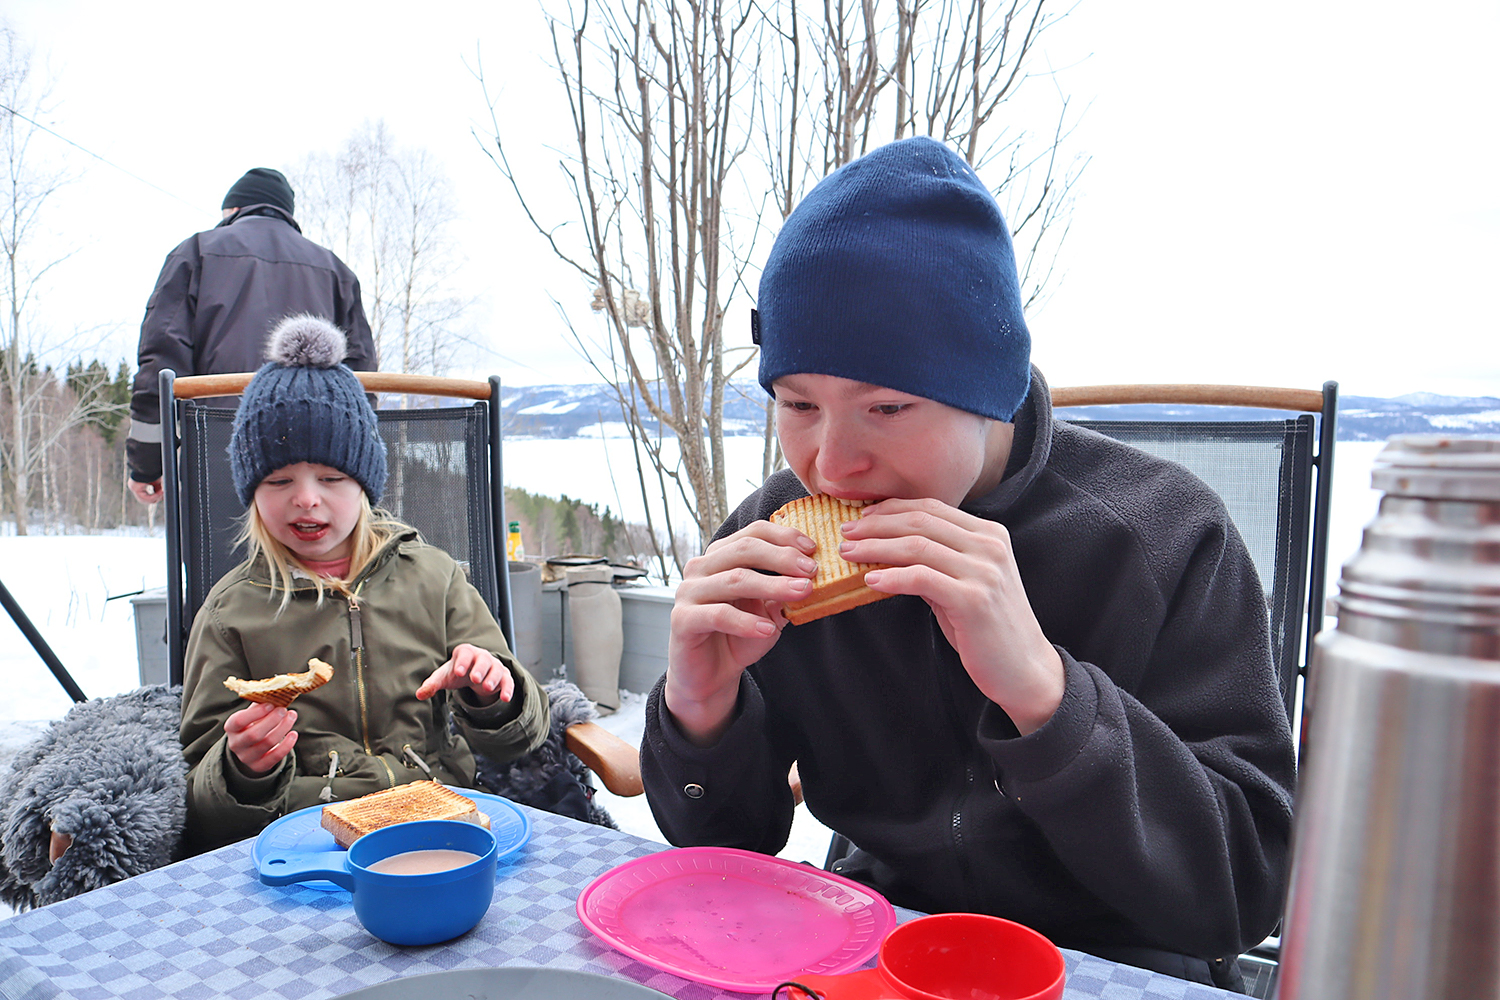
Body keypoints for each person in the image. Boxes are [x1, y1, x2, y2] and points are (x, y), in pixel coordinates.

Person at [639, 136, 1295, 991]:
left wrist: (1046, 694)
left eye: (886, 406)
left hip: (1117, 960)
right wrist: (700, 709)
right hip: (875, 940)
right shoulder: (772, 537)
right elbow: (726, 852)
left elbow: (1242, 894)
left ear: (986, 390)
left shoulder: (1166, 536)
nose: (831, 464)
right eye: (798, 404)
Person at [179, 314, 548, 855]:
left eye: (331, 478)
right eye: (279, 480)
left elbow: (520, 738)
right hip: (309, 843)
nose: (306, 498)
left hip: (447, 820)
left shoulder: (435, 577)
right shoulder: (232, 611)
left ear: (365, 485)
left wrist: (493, 693)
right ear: (252, 494)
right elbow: (200, 800)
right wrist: (241, 768)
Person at [127, 167, 376, 504]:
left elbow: (163, 362)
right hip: (317, 469)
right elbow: (362, 380)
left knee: (220, 555)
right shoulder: (335, 269)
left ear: (233, 210)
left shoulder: (197, 252)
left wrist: (147, 463)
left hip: (217, 453)